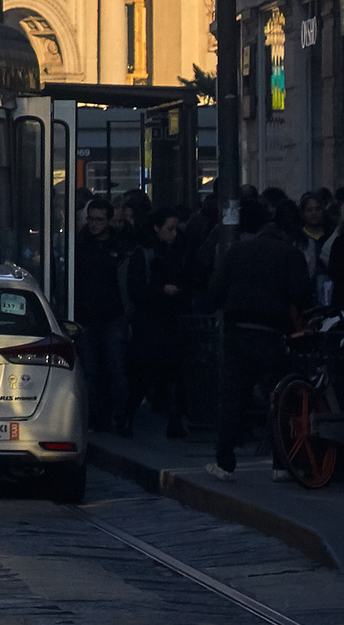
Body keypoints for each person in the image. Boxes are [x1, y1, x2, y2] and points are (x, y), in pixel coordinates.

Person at [209, 197, 311, 480]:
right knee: (278, 399)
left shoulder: (237, 250)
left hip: (238, 330)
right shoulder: (290, 254)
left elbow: (215, 290)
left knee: (233, 397)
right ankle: (281, 463)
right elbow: (302, 294)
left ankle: (224, 461)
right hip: (272, 333)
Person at [123, 209, 190, 439]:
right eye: (170, 229)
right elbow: (136, 290)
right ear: (157, 228)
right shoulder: (146, 254)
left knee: (167, 373)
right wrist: (162, 290)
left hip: (164, 320)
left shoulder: (170, 251)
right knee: (149, 373)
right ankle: (131, 416)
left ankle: (168, 420)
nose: (174, 233)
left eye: (175, 229)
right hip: (151, 322)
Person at [73, 198, 128, 434]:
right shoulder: (79, 245)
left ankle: (119, 418)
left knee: (115, 369)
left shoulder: (118, 245)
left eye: (99, 220)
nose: (94, 224)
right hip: (88, 315)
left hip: (111, 314)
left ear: (108, 220)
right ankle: (98, 418)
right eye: (91, 219)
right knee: (92, 370)